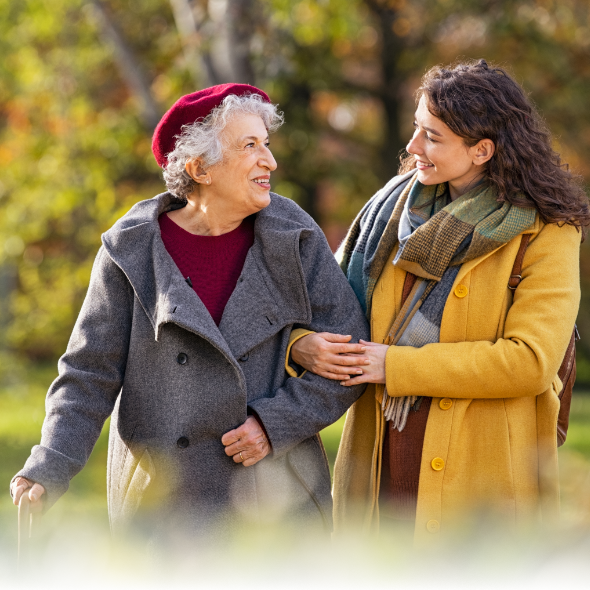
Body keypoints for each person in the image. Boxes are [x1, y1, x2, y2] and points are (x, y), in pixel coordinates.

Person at [10, 84, 369, 541]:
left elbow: (350, 352)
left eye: (267, 143)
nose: (270, 161)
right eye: (250, 146)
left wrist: (274, 423)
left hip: (276, 498)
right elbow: (88, 374)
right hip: (163, 505)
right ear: (199, 168)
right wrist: (49, 467)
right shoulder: (131, 249)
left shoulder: (293, 235)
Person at [289, 60, 589, 544]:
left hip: (482, 475)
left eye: (432, 136)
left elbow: (530, 361)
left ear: (481, 150)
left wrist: (398, 366)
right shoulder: (389, 214)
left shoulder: (548, 232)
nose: (412, 148)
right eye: (415, 129)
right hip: (379, 460)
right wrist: (302, 345)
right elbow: (320, 306)